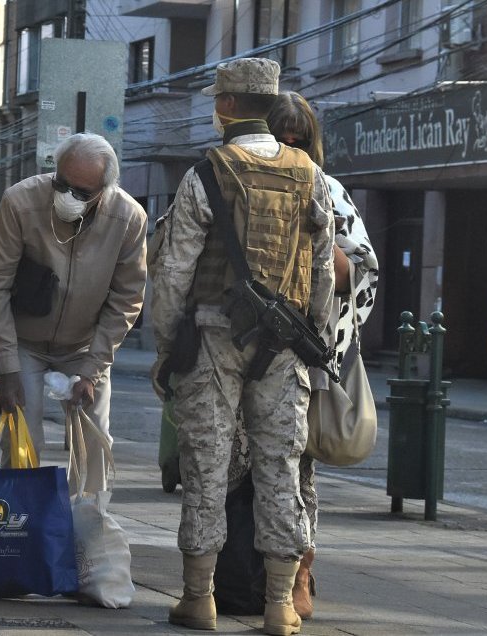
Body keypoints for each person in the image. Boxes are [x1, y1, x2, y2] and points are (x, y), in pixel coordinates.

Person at [150, 58, 335, 636]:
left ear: (225, 106)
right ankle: (280, 605)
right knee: (281, 470)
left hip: (210, 339)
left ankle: (198, 598)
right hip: (286, 347)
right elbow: (325, 272)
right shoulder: (312, 176)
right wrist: (319, 343)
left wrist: (164, 344)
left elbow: (174, 270)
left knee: (205, 468)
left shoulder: (206, 174)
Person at [219, 91, 382, 620]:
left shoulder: (327, 189)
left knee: (294, 472)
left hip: (299, 357)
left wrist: (317, 234)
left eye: (298, 139)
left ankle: (297, 578)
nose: (288, 147)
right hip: (231, 349)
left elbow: (358, 270)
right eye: (279, 136)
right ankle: (231, 574)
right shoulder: (230, 179)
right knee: (228, 467)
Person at [0, 132, 147, 493]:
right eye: (62, 185)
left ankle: (87, 531)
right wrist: (7, 367)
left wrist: (92, 370)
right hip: (26, 341)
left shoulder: (128, 218)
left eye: (83, 193)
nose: (69, 198)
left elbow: (127, 298)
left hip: (84, 344)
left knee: (95, 443)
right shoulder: (21, 202)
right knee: (24, 440)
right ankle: (20, 525)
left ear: (105, 189)